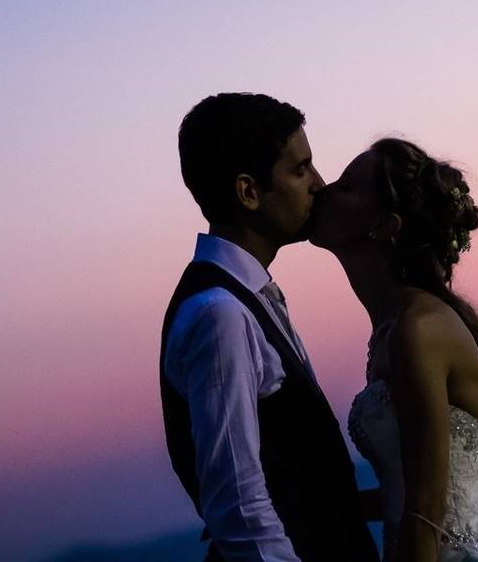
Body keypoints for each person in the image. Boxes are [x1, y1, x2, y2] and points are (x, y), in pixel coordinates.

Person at [160, 93, 380, 561]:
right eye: (300, 170)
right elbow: (237, 506)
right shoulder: (220, 314)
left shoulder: (246, 300)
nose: (320, 184)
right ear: (249, 192)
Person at [309, 137, 478, 562]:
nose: (323, 188)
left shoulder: (419, 331)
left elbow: (425, 517)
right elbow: (408, 493)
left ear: (384, 225)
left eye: (346, 185)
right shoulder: (396, 328)